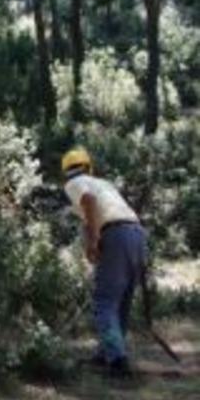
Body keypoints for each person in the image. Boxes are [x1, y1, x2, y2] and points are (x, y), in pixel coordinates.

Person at [62, 147, 148, 377]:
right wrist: (92, 239)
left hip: (116, 234)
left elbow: (88, 202)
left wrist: (93, 241)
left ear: (67, 171)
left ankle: (117, 360)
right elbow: (93, 212)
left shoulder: (75, 182)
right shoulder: (103, 183)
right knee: (120, 302)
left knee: (104, 301)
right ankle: (105, 353)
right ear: (89, 165)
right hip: (136, 233)